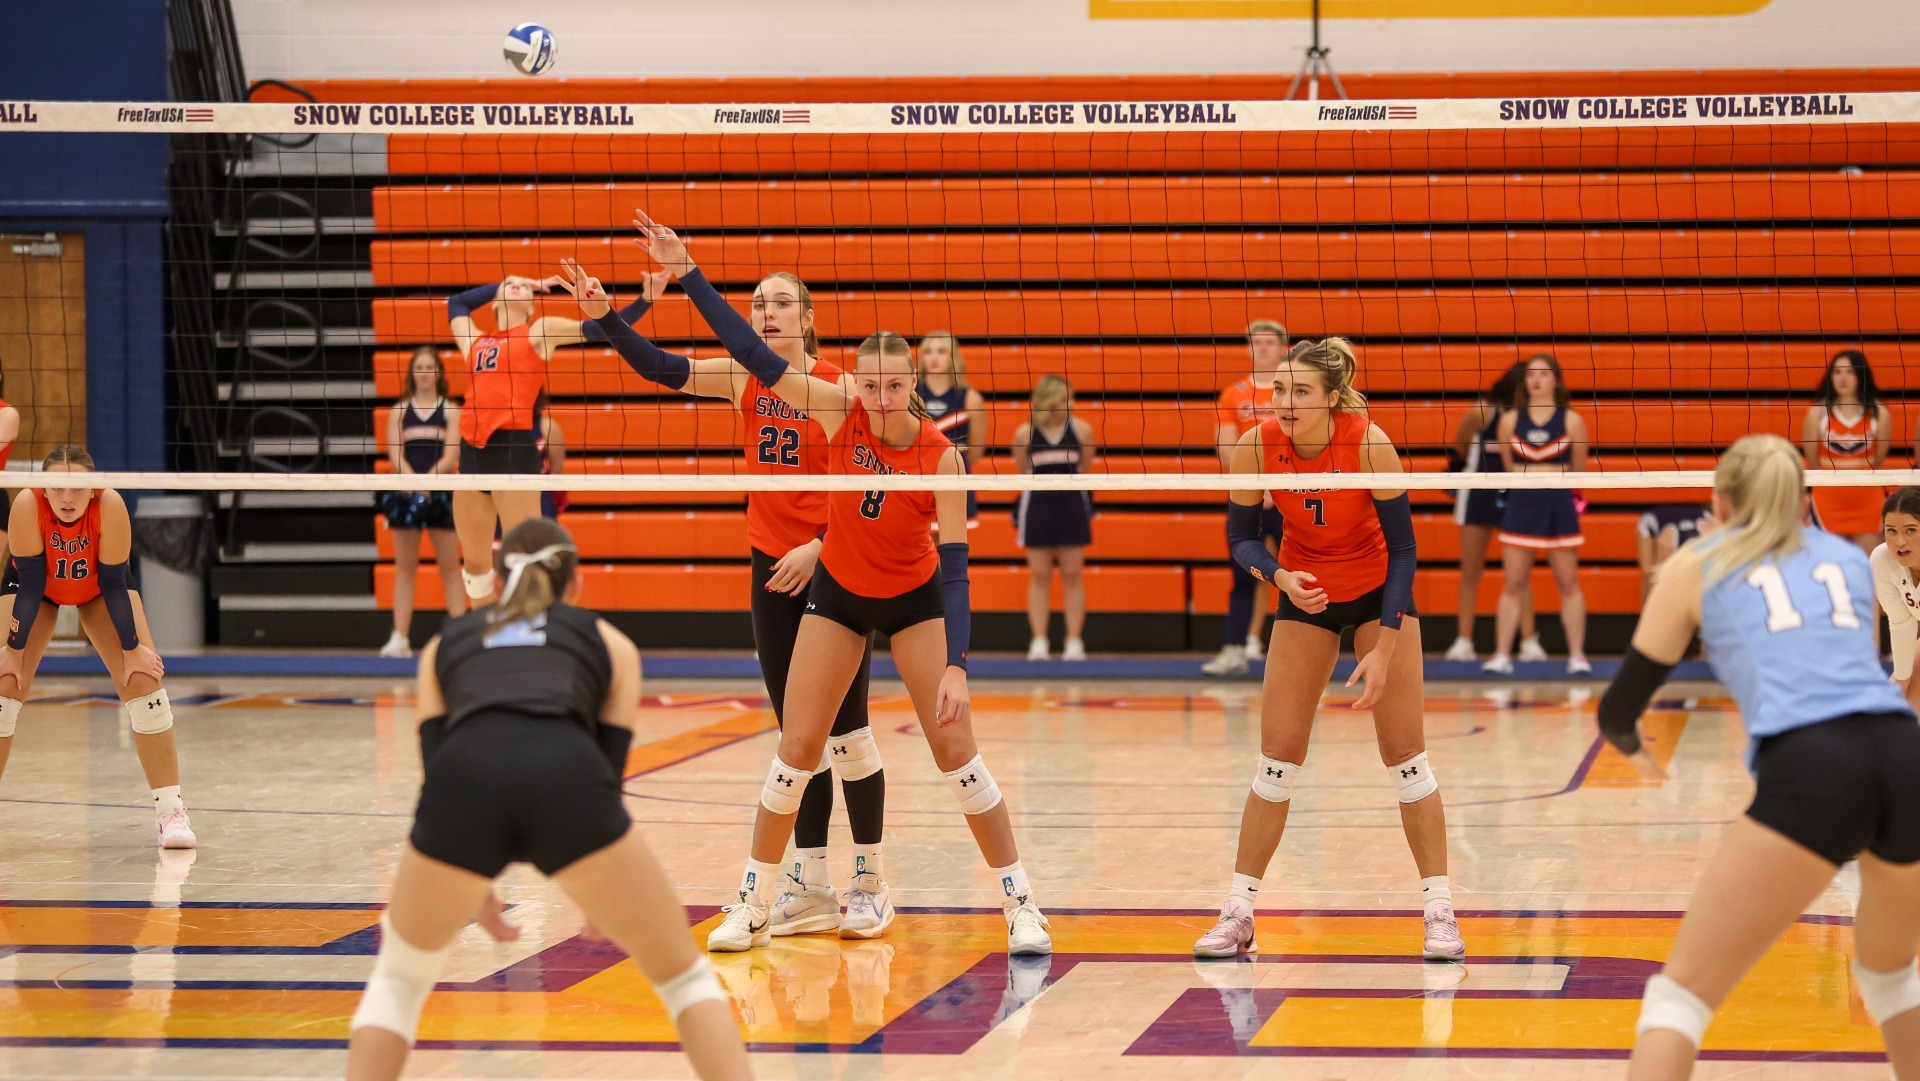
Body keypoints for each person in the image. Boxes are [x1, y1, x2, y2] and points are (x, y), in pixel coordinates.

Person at [583, 220, 1052, 956]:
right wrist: (682, 275)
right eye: (871, 385)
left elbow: (958, 570)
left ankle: (1019, 901)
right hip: (836, 592)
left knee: (953, 750)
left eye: (894, 385)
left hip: (910, 597)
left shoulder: (940, 456)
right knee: (797, 745)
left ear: (915, 386)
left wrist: (958, 664)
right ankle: (756, 899)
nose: (880, 397)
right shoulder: (836, 408)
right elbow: (748, 358)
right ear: (855, 385)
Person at [345, 519, 751, 1081]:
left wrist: (471, 877)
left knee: (397, 979)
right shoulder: (611, 643)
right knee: (684, 979)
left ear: (495, 579)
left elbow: (439, 769)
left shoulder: (443, 644)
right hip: (567, 776)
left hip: (464, 783)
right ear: (575, 585)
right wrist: (599, 884)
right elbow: (606, 777)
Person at [564, 242, 889, 941]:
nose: (768, 313)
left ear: (807, 317)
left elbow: (871, 488)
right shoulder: (744, 380)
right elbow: (660, 367)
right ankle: (810, 884)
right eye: (758, 304)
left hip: (835, 564)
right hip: (769, 566)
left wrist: (821, 546)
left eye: (781, 303)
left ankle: (869, 881)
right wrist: (608, 318)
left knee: (847, 730)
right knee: (797, 735)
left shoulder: (837, 388)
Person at [1596, 434, 1920, 1081]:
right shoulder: (1848, 558)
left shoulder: (1697, 561)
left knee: (1678, 998)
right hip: (1904, 749)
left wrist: (1635, 753)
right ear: (1803, 503)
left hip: (1814, 764)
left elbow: (1618, 709)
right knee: (1891, 975)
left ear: (1719, 502)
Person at [1191, 338, 1461, 963]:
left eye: (1301, 391)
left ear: (1332, 397)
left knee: (1407, 759)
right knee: (1276, 762)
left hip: (1377, 593)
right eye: (1280, 390)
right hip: (1304, 591)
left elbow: (1405, 550)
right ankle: (1238, 911)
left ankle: (1440, 911)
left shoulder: (1369, 443)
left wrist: (1386, 646)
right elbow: (1240, 539)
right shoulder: (1255, 444)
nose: (1285, 402)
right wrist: (1279, 577)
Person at [0, 445, 194, 849]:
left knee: (144, 684)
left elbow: (113, 583)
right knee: (4, 686)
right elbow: (31, 586)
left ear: (93, 488)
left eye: (78, 487)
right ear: (43, 488)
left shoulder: (110, 504)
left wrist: (132, 649)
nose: (67, 497)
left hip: (101, 589)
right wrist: (13, 652)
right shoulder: (26, 505)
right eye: (57, 487)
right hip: (37, 590)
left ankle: (171, 813)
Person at [443, 273, 655, 606]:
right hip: (471, 455)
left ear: (531, 306)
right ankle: (483, 631)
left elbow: (600, 330)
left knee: (523, 560)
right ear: (495, 302)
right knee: (475, 565)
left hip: (513, 453)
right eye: (510, 285)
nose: (517, 287)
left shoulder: (539, 331)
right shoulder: (475, 341)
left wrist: (646, 299)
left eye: (524, 287)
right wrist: (506, 283)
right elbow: (457, 303)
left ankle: (533, 628)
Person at [1485, 353, 1592, 675]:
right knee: (1513, 583)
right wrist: (1536, 474)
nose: (1536, 380)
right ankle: (1502, 655)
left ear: (1556, 380)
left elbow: (1578, 469)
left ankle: (1577, 656)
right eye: (1531, 374)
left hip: (1559, 505)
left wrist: (1543, 475)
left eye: (1544, 374)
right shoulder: (1509, 420)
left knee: (1569, 582)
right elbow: (1509, 467)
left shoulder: (1571, 421)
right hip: (1522, 505)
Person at [1443, 361, 1543, 662]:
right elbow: (1460, 446)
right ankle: (1463, 640)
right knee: (1471, 571)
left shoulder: (1534, 417)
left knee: (1519, 573)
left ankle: (1529, 641)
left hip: (1517, 495)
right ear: (1517, 385)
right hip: (1478, 494)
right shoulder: (1483, 412)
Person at [1205, 320, 1289, 676]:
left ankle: (1304, 650)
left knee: (1300, 572)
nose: (1263, 348)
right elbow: (1226, 449)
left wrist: (1274, 486)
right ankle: (1234, 650)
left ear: (1284, 348)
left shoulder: (1293, 391)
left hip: (1289, 496)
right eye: (1256, 342)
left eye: (1269, 342)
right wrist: (1258, 485)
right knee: (1242, 575)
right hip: (1247, 496)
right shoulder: (1233, 394)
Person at [380, 347, 465, 659]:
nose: (425, 373)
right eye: (420, 367)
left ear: (439, 373)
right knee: (405, 569)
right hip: (406, 494)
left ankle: (459, 637)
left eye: (430, 367)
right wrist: (415, 484)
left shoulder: (451, 410)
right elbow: (395, 455)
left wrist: (429, 482)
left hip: (441, 493)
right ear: (411, 373)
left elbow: (451, 454)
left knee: (451, 568)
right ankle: (399, 637)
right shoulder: (400, 410)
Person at [1012, 374, 1097, 661]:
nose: (1071, 404)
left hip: (1072, 505)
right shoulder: (1025, 434)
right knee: (1039, 575)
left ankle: (1074, 640)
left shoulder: (1082, 430)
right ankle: (1039, 640)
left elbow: (1085, 466)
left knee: (1073, 575)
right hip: (1038, 506)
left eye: (1072, 398)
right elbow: (1022, 468)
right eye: (1065, 398)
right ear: (1048, 400)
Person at [1802, 348, 1890, 555]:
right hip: (1827, 498)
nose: (1843, 378)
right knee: (1826, 560)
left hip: (1867, 498)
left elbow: (1878, 460)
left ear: (1861, 375)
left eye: (1849, 372)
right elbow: (1813, 461)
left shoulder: (1879, 413)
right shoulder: (1817, 414)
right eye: (1837, 372)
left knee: (1870, 563)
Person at [916, 330, 985, 527]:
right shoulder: (910, 395)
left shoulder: (970, 398)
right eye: (928, 351)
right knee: (919, 540)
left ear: (953, 356)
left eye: (941, 351)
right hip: (919, 479)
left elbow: (975, 452)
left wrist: (948, 459)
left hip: (955, 478)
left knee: (954, 541)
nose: (934, 357)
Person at [1872, 485, 1920, 713]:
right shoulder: (1882, 560)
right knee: (1900, 705)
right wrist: (1901, 679)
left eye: (1911, 530)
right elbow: (1902, 623)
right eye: (1891, 530)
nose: (1899, 541)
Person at [1636, 504, 1712, 602]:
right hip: (1696, 523)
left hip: (1672, 528)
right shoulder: (1707, 520)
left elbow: (1649, 576)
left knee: (1653, 579)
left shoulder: (1667, 540)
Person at [533, 391, 569, 521]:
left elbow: (556, 470)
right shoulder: (497, 427)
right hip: (503, 492)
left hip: (540, 497)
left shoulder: (547, 426)